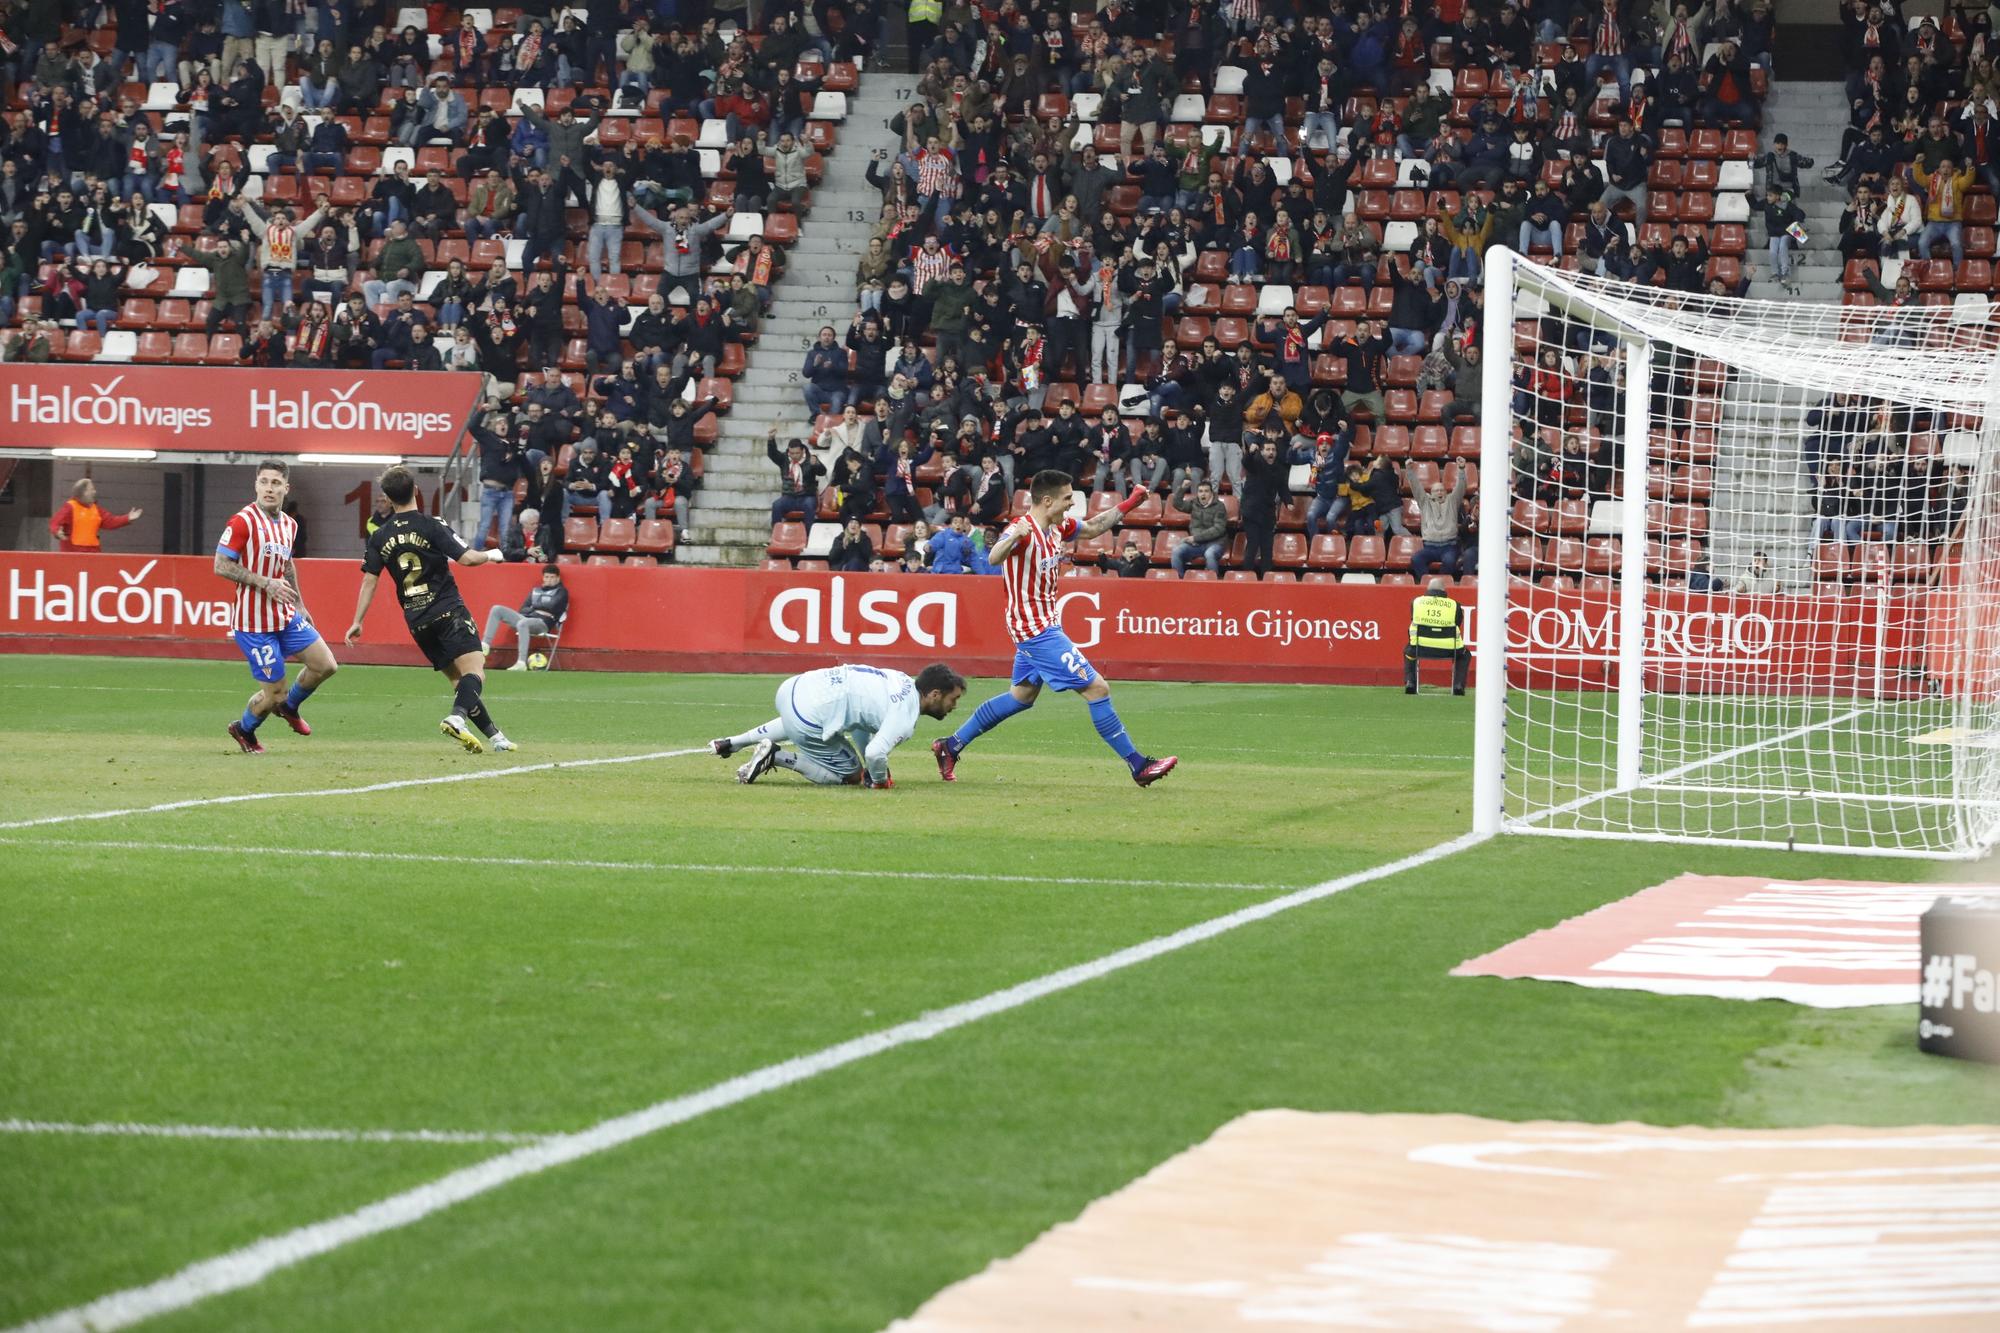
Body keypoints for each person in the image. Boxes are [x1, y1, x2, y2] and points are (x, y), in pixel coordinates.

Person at [932, 470, 1178, 787]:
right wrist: (1014, 538)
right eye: (1067, 498)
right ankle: (1138, 766)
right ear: (1047, 500)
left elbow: (1092, 528)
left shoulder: (1057, 526)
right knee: (1097, 688)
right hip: (1035, 630)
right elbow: (994, 557)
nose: (1071, 503)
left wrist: (1131, 502)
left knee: (1021, 696)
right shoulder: (1022, 530)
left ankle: (949, 746)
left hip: (1043, 625)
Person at [346, 465, 515, 754]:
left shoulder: (379, 537)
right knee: (475, 671)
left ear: (387, 497)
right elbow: (468, 559)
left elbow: (369, 581)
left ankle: (495, 737)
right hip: (447, 609)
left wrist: (357, 621)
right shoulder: (432, 524)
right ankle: (456, 718)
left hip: (417, 619)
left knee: (457, 681)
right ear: (416, 491)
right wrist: (493, 555)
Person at [214, 460, 340, 752]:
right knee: (274, 694)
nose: (269, 488)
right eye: (264, 482)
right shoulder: (243, 521)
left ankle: (290, 708)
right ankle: (243, 729)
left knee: (326, 665)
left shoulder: (289, 524)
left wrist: (299, 603)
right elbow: (220, 565)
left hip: (284, 616)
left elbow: (286, 564)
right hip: (253, 624)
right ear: (256, 484)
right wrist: (265, 583)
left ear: (286, 487)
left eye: (275, 483)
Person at [713, 662, 967, 788]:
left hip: (793, 688)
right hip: (809, 715)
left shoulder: (899, 679)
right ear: (934, 694)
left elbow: (860, 724)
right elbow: (875, 753)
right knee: (851, 776)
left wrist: (873, 767)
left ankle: (731, 743)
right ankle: (777, 756)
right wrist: (878, 780)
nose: (953, 707)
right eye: (952, 699)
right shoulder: (905, 716)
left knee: (805, 717)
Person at [481, 564, 569, 671]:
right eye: (546, 577)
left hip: (543, 623)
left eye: (552, 577)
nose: (549, 580)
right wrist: (537, 608)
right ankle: (485, 644)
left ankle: (521, 662)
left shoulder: (562, 592)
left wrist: (535, 606)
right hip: (526, 618)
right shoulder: (535, 590)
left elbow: (553, 607)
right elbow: (523, 609)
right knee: (497, 609)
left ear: (557, 578)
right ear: (543, 577)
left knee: (523, 623)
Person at [1405, 577, 1469, 696]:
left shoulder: (1416, 602)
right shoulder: (1454, 605)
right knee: (1465, 655)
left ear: (1428, 589)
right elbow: (1458, 623)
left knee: (1408, 651)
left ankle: (1410, 683)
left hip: (1420, 648)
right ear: (1444, 591)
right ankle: (1458, 685)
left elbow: (1414, 620)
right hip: (1450, 650)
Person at [49, 478, 141, 551]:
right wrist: (57, 531)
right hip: (73, 552)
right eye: (92, 489)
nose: (95, 492)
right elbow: (56, 521)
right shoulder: (70, 507)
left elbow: (110, 521)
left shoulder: (96, 509)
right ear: (84, 492)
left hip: (93, 552)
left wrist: (127, 518)